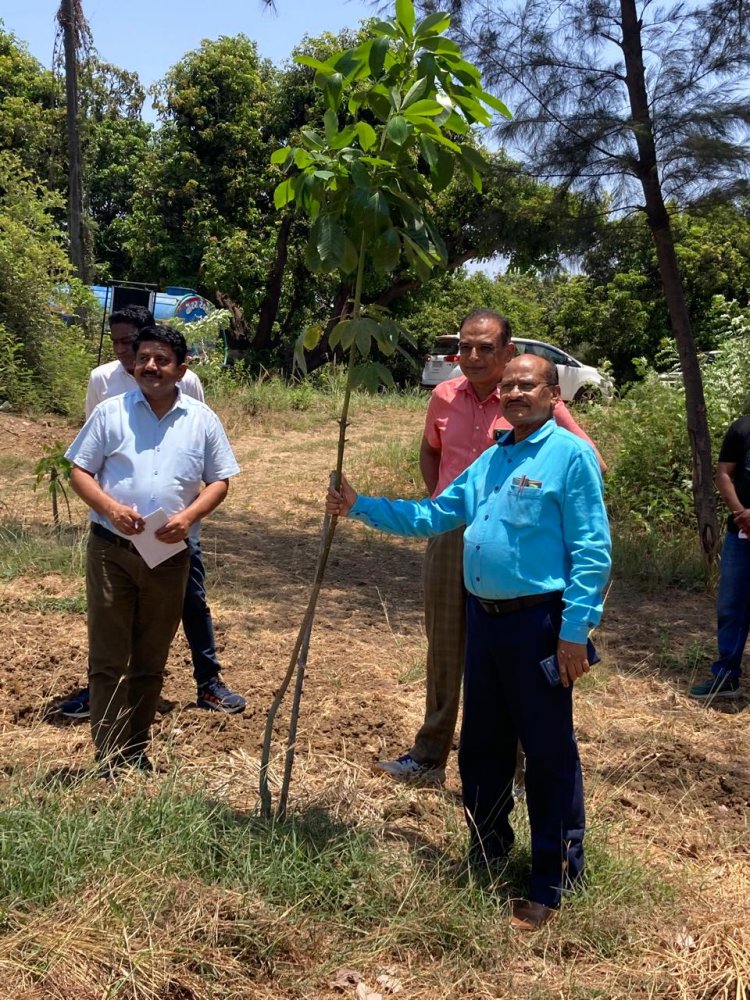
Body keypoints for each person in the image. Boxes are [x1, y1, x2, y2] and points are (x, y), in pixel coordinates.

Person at [327, 354, 611, 928]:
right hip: (485, 622)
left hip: (539, 626)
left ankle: (553, 881)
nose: (512, 393)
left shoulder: (571, 456)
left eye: (525, 385)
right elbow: (437, 515)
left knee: (549, 755)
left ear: (553, 394)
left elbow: (593, 553)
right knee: (482, 747)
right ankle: (487, 853)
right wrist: (360, 507)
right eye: (506, 386)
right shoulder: (492, 459)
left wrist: (574, 633)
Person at [375, 309, 606, 784]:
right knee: (445, 645)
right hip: (453, 527)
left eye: (486, 348)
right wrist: (444, 500)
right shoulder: (443, 395)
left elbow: (589, 462)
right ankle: (429, 754)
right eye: (465, 347)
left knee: (514, 655)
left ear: (507, 354)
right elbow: (430, 450)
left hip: (516, 536)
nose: (474, 357)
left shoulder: (531, 396)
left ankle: (518, 767)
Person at [65, 325, 240, 772]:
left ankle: (136, 749)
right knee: (108, 658)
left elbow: (219, 481)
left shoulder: (202, 420)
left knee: (150, 658)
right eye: (144, 358)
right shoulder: (110, 413)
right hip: (112, 550)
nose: (150, 366)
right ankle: (108, 756)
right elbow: (81, 471)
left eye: (161, 359)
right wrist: (109, 506)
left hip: (169, 554)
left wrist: (188, 518)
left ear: (181, 369)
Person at [690, 415, 750, 699]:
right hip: (742, 533)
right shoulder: (742, 427)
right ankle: (727, 677)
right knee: (731, 606)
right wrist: (741, 514)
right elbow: (723, 474)